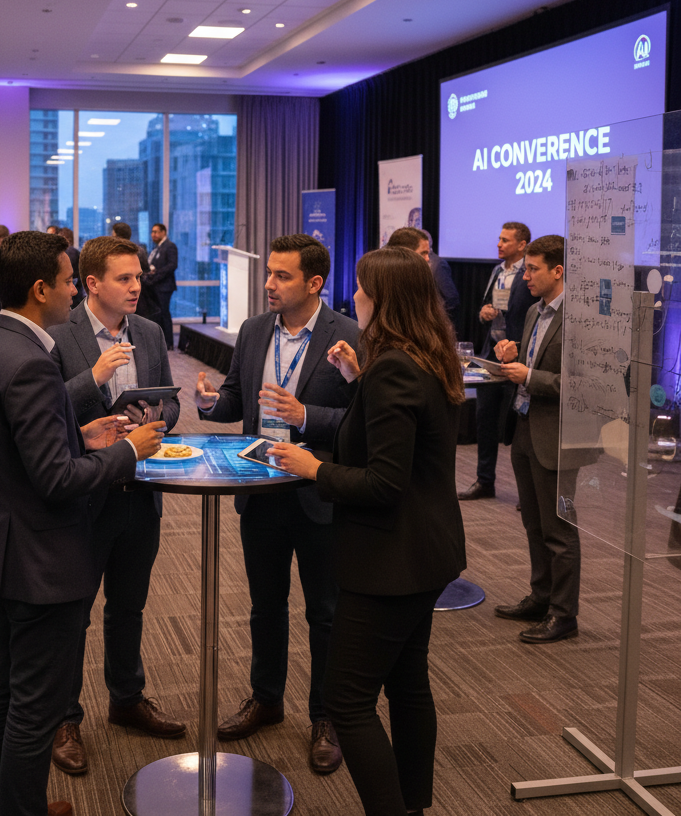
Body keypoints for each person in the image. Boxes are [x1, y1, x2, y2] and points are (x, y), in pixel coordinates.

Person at [0, 230, 166, 816]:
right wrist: (126, 452)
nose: (75, 291)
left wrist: (79, 434)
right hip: (39, 559)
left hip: (2, 548)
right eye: (70, 281)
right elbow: (56, 479)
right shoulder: (30, 360)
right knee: (34, 708)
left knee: (3, 685)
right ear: (40, 289)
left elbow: (12, 445)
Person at [266, 245, 467, 816]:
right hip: (427, 552)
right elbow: (400, 440)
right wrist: (359, 381)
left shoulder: (395, 368)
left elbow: (384, 482)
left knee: (347, 702)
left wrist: (314, 468)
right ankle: (412, 805)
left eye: (361, 288)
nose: (353, 296)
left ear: (383, 299)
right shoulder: (428, 356)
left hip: (390, 561)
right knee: (407, 685)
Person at [195, 233, 360, 774]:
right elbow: (236, 399)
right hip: (259, 487)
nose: (268, 283)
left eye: (282, 276)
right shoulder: (253, 329)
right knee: (265, 605)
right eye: (269, 272)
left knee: (325, 612)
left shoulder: (348, 335)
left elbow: (363, 419)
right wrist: (210, 403)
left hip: (317, 492)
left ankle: (326, 717)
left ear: (314, 283)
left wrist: (305, 416)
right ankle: (266, 699)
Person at [48, 236, 184, 776]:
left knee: (129, 606)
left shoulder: (148, 331)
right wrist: (95, 378)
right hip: (84, 495)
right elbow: (46, 408)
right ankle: (64, 718)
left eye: (138, 277)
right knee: (73, 615)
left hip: (140, 490)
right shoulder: (59, 333)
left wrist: (156, 417)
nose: (136, 286)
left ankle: (126, 699)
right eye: (124, 278)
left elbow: (170, 401)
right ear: (92, 284)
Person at [494, 234, 598, 644]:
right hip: (525, 427)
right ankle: (541, 598)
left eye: (533, 269)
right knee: (534, 523)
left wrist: (530, 376)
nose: (526, 277)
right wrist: (512, 357)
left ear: (558, 271)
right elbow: (536, 361)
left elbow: (587, 385)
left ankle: (563, 614)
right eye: (525, 270)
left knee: (559, 528)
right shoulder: (534, 312)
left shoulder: (582, 317)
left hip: (558, 436)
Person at [459, 222, 533, 501]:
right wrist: (484, 313)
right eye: (499, 239)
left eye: (505, 240)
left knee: (521, 425)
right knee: (484, 419)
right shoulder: (496, 271)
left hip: (519, 355)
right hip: (491, 355)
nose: (499, 244)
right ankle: (484, 481)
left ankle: (527, 493)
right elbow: (485, 306)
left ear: (522, 244)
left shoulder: (529, 273)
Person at [385, 228, 459, 322]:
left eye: (428, 253)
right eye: (423, 253)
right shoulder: (385, 279)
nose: (427, 258)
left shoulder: (436, 266)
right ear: (406, 253)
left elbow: (451, 298)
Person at [112, 221, 158, 322]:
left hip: (118, 291)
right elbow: (146, 269)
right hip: (138, 291)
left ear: (116, 235)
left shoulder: (112, 252)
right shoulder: (138, 250)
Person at [146, 223, 177, 350]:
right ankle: (160, 341)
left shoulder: (170, 246)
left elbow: (172, 265)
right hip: (154, 286)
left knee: (164, 313)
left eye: (156, 232)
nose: (154, 235)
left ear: (164, 232)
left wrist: (156, 275)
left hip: (164, 286)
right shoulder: (156, 248)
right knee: (157, 314)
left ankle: (168, 342)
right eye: (152, 232)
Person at [423, 231, 460, 323]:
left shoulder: (438, 264)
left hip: (433, 322)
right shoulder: (411, 264)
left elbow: (451, 297)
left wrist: (437, 317)